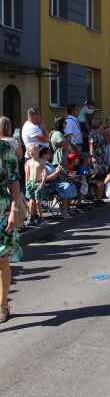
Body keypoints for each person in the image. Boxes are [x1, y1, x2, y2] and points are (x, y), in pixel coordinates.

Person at [0, 137, 22, 323]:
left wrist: (14, 211)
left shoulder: (4, 148)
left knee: (1, 260)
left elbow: (14, 180)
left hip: (1, 211)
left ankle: (2, 305)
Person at [39, 147, 76, 218]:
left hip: (56, 182)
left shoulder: (48, 163)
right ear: (44, 154)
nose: (50, 155)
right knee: (66, 186)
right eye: (48, 153)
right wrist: (56, 172)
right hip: (48, 185)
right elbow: (45, 178)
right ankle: (63, 209)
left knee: (72, 185)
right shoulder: (41, 164)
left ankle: (67, 206)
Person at [24, 144, 45, 226]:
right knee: (31, 201)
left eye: (33, 150)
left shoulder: (41, 162)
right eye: (29, 151)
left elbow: (44, 173)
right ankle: (30, 217)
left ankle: (41, 217)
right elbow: (27, 174)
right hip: (30, 182)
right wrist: (26, 184)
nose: (31, 152)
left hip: (37, 182)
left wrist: (42, 183)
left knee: (38, 201)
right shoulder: (28, 163)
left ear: (38, 151)